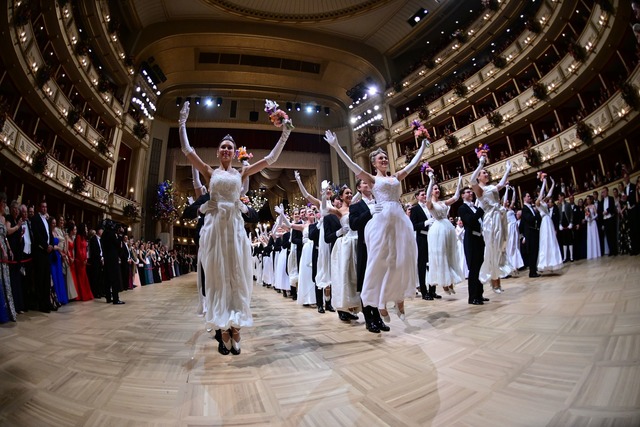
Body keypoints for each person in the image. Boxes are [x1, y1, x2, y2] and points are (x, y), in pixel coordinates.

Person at [178, 100, 290, 355]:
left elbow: (271, 159)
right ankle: (222, 326)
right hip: (215, 227)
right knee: (217, 276)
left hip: (236, 228)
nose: (227, 150)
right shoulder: (209, 172)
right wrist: (182, 122)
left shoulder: (242, 173)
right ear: (218, 153)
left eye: (230, 147)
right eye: (223, 147)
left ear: (234, 151)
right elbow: (187, 150)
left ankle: (236, 324)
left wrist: (285, 133)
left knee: (237, 274)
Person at [324, 130, 427, 321]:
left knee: (402, 258)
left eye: (386, 157)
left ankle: (399, 299)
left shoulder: (395, 176)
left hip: (399, 218)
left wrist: (422, 146)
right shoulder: (372, 179)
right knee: (382, 261)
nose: (385, 160)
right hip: (382, 220)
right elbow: (352, 165)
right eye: (381, 158)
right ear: (374, 163)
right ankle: (380, 302)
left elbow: (412, 165)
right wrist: (337, 146)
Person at [349, 178, 389, 332]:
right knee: (367, 282)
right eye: (365, 183)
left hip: (381, 246)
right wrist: (369, 212)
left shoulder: (380, 201)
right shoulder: (356, 206)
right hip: (366, 248)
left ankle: (378, 318)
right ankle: (369, 319)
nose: (368, 185)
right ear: (359, 188)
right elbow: (353, 224)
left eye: (369, 183)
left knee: (379, 282)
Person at [470, 156, 512, 293]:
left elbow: (500, 184)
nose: (486, 174)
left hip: (499, 217)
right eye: (484, 173)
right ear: (479, 177)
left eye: (486, 172)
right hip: (490, 220)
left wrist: (507, 170)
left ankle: (497, 282)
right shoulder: (479, 190)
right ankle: (495, 283)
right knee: (492, 248)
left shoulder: (491, 187)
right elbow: (471, 180)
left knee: (499, 248)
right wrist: (480, 163)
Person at [424, 169, 463, 295]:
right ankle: (445, 283)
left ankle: (450, 281)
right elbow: (428, 194)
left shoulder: (443, 202)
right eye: (435, 189)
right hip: (438, 230)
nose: (437, 190)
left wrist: (459, 182)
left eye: (437, 189)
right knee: (440, 256)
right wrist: (431, 180)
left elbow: (456, 197)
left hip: (447, 228)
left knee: (449, 254)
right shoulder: (430, 204)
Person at [458, 187, 487, 305]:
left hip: (479, 238)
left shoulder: (474, 207)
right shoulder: (462, 208)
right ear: (462, 195)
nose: (471, 193)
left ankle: (480, 294)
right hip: (471, 240)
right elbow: (471, 221)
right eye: (468, 192)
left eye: (471, 192)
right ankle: (473, 297)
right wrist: (481, 210)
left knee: (480, 267)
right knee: (474, 269)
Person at [409, 189, 437, 300]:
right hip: (422, 238)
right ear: (417, 197)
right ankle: (424, 292)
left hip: (432, 237)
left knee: (433, 265)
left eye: (425, 194)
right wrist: (425, 223)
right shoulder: (415, 209)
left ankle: (432, 290)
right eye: (422, 194)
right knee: (422, 266)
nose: (425, 196)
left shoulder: (430, 207)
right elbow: (413, 225)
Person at [30, 200, 55, 313]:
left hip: (47, 253)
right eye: (43, 207)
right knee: (40, 279)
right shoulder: (35, 219)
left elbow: (50, 234)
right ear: (39, 208)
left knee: (46, 278)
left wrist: (51, 245)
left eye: (46, 207)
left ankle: (47, 302)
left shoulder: (47, 220)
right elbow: (37, 235)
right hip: (40, 252)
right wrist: (46, 246)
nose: (44, 209)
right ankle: (41, 304)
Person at [536, 178, 563, 273]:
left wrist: (552, 183)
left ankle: (552, 263)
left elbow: (550, 194)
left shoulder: (544, 201)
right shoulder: (537, 203)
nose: (542, 194)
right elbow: (541, 195)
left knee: (551, 241)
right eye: (540, 193)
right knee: (545, 242)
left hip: (549, 222)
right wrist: (543, 183)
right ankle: (544, 264)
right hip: (544, 222)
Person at [0, 193, 17, 322]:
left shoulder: (3, 218)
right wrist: (2, 250)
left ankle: (8, 311)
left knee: (6, 280)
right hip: (0, 251)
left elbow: (5, 235)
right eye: (4, 203)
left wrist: (9, 248)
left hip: (4, 249)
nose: (5, 205)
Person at [504, 186, 524, 274]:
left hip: (515, 227)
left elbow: (513, 200)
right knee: (511, 246)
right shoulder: (504, 209)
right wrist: (506, 189)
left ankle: (516, 265)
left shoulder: (510, 208)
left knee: (516, 246)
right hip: (510, 228)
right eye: (506, 201)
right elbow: (505, 200)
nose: (508, 201)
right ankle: (511, 266)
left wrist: (514, 190)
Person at [598, 186, 618, 256]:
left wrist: (606, 211)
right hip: (605, 220)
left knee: (613, 235)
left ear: (607, 191)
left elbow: (612, 207)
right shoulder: (601, 202)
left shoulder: (611, 198)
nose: (603, 193)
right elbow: (599, 211)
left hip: (611, 219)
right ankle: (611, 251)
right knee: (608, 236)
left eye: (604, 191)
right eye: (602, 192)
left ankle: (615, 251)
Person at [557, 192, 574, 262]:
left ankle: (571, 256)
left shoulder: (568, 204)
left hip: (568, 224)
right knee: (564, 241)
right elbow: (559, 217)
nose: (559, 198)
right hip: (563, 225)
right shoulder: (559, 206)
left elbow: (571, 215)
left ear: (563, 197)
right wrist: (559, 224)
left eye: (559, 197)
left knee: (570, 240)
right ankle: (565, 257)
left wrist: (571, 223)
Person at [585, 195, 601, 260]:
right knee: (590, 237)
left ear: (591, 200)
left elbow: (596, 214)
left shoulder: (593, 206)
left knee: (594, 236)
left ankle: (596, 253)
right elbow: (585, 216)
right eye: (587, 199)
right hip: (589, 223)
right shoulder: (586, 208)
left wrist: (592, 218)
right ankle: (590, 254)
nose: (587, 200)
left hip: (593, 222)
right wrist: (587, 219)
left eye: (588, 199)